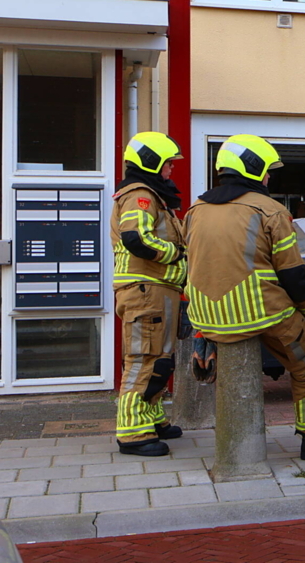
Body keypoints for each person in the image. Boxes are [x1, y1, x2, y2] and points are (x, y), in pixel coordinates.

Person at [184, 134, 305, 461]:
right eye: (267, 169)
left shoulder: (195, 209)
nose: (269, 176)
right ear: (253, 168)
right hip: (259, 311)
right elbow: (293, 273)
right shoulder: (270, 210)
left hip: (206, 316)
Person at [111, 132, 187, 457]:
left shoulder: (155, 197)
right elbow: (136, 238)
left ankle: (152, 419)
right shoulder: (140, 195)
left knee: (160, 360)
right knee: (143, 358)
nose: (171, 168)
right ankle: (132, 433)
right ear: (151, 162)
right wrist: (176, 253)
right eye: (168, 162)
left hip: (157, 289)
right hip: (145, 290)